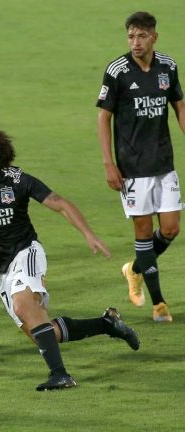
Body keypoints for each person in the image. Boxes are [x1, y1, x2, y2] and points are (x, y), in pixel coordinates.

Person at [0, 122, 140, 390]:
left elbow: (58, 202)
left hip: (25, 252)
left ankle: (60, 375)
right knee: (44, 332)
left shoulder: (16, 180)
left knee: (23, 306)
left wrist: (88, 234)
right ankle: (107, 323)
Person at [96, 11, 184, 322]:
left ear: (154, 37)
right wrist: (109, 163)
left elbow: (179, 107)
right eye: (131, 36)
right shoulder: (117, 71)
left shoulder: (168, 67)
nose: (135, 42)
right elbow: (104, 117)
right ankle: (159, 304)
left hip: (163, 163)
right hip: (132, 169)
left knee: (171, 228)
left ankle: (134, 269)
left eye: (141, 36)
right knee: (144, 232)